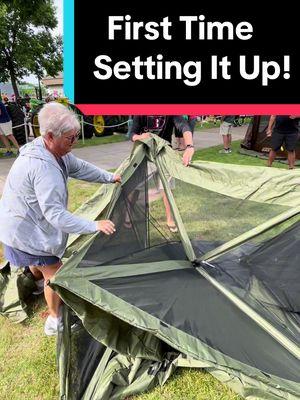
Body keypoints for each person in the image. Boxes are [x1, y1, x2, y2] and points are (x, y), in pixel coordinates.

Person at [0, 102, 121, 335]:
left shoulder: (53, 150)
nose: (74, 142)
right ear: (49, 135)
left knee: (39, 263)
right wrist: (93, 225)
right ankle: (54, 321)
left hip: (19, 228)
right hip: (23, 230)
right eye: (70, 138)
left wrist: (109, 177)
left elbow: (80, 167)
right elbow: (56, 216)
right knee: (55, 272)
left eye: (76, 136)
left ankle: (35, 286)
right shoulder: (43, 169)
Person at [130, 115, 194, 232]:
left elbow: (184, 126)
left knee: (167, 188)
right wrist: (140, 136)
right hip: (144, 153)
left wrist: (189, 146)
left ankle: (170, 219)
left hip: (164, 154)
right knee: (134, 185)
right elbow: (132, 134)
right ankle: (127, 215)